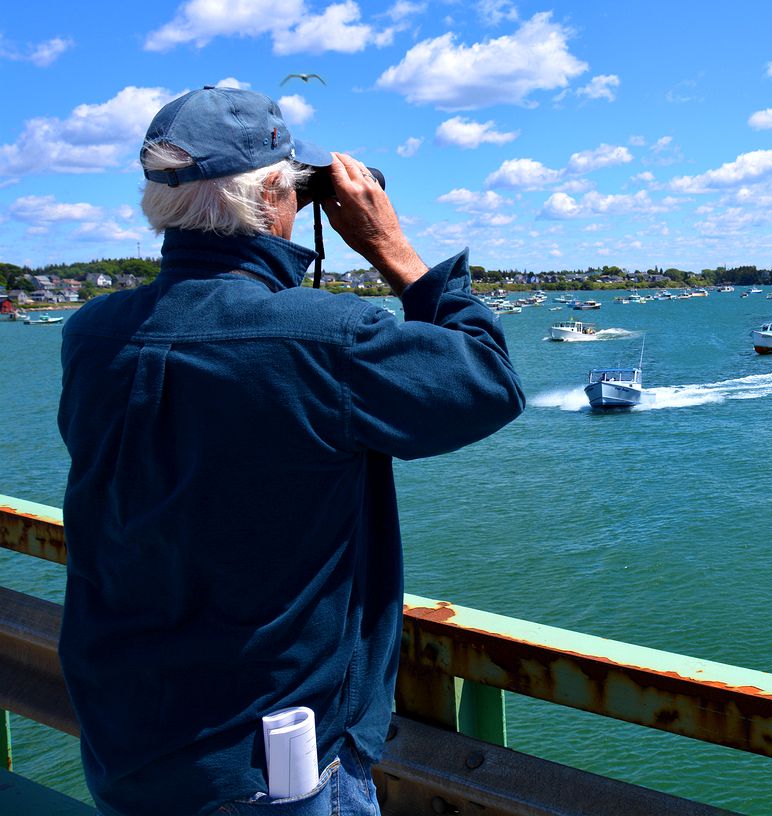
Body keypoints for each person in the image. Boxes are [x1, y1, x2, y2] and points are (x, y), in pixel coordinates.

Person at [56, 87, 525, 816]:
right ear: (278, 196)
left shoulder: (91, 334)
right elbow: (487, 383)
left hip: (126, 742)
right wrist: (391, 250)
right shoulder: (323, 338)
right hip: (272, 768)